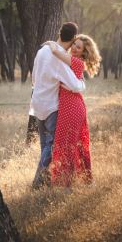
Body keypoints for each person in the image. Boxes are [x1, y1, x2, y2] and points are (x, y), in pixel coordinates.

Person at [30, 22, 85, 188]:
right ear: (73, 38)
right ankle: (37, 182)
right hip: (50, 107)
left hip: (37, 104)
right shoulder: (59, 58)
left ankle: (45, 182)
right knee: (51, 146)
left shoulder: (42, 50)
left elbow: (33, 79)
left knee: (44, 146)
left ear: (60, 33)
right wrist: (82, 83)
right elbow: (75, 85)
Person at [47, 34, 101, 186]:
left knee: (68, 144)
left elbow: (56, 52)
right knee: (70, 144)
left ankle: (67, 182)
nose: (75, 48)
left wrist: (50, 43)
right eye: (74, 45)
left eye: (79, 47)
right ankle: (77, 180)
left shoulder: (76, 62)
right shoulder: (73, 62)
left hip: (72, 107)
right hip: (70, 106)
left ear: (84, 51)